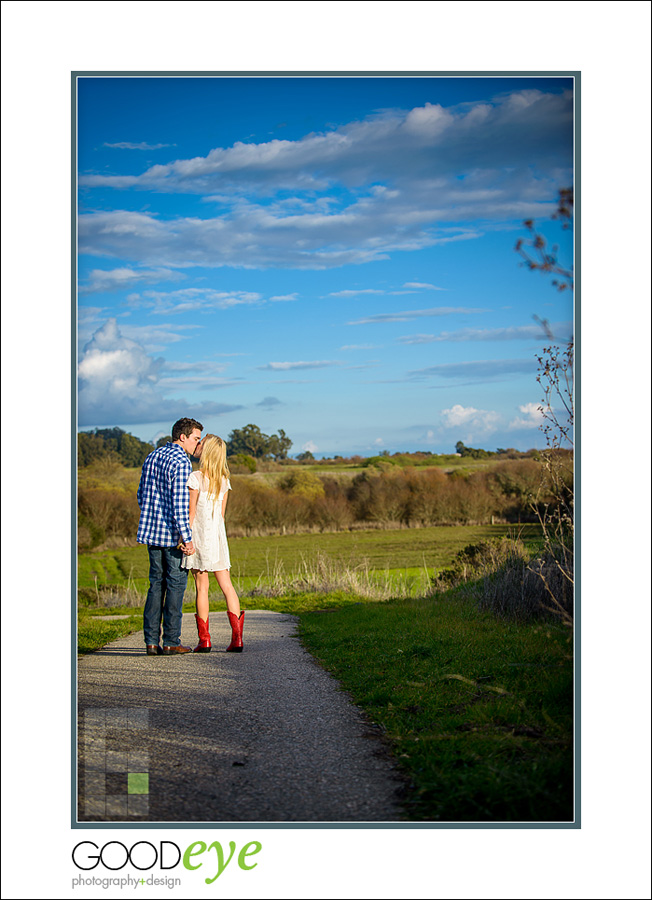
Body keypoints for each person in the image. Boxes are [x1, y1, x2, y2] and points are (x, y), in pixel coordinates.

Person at [137, 417, 203, 655]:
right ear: (183, 436)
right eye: (195, 438)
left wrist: (149, 516)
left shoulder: (152, 456)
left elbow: (141, 494)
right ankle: (171, 641)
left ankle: (151, 641)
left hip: (151, 533)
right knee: (175, 585)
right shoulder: (181, 461)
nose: (197, 445)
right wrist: (187, 539)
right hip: (173, 536)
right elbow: (179, 504)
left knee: (155, 585)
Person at [182, 434, 245, 653]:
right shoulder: (224, 481)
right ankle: (237, 639)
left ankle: (205, 640)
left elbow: (190, 514)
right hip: (218, 537)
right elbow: (221, 516)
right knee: (227, 586)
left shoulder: (195, 478)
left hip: (199, 536)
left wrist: (184, 538)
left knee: (202, 587)